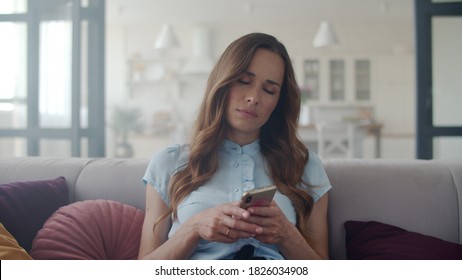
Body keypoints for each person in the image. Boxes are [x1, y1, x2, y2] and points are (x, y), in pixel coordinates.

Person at [138, 33, 332, 260]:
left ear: (278, 103)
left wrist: (287, 235)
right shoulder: (169, 163)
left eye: (269, 90)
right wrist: (194, 228)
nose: (254, 98)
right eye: (244, 81)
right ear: (222, 83)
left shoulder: (305, 165)